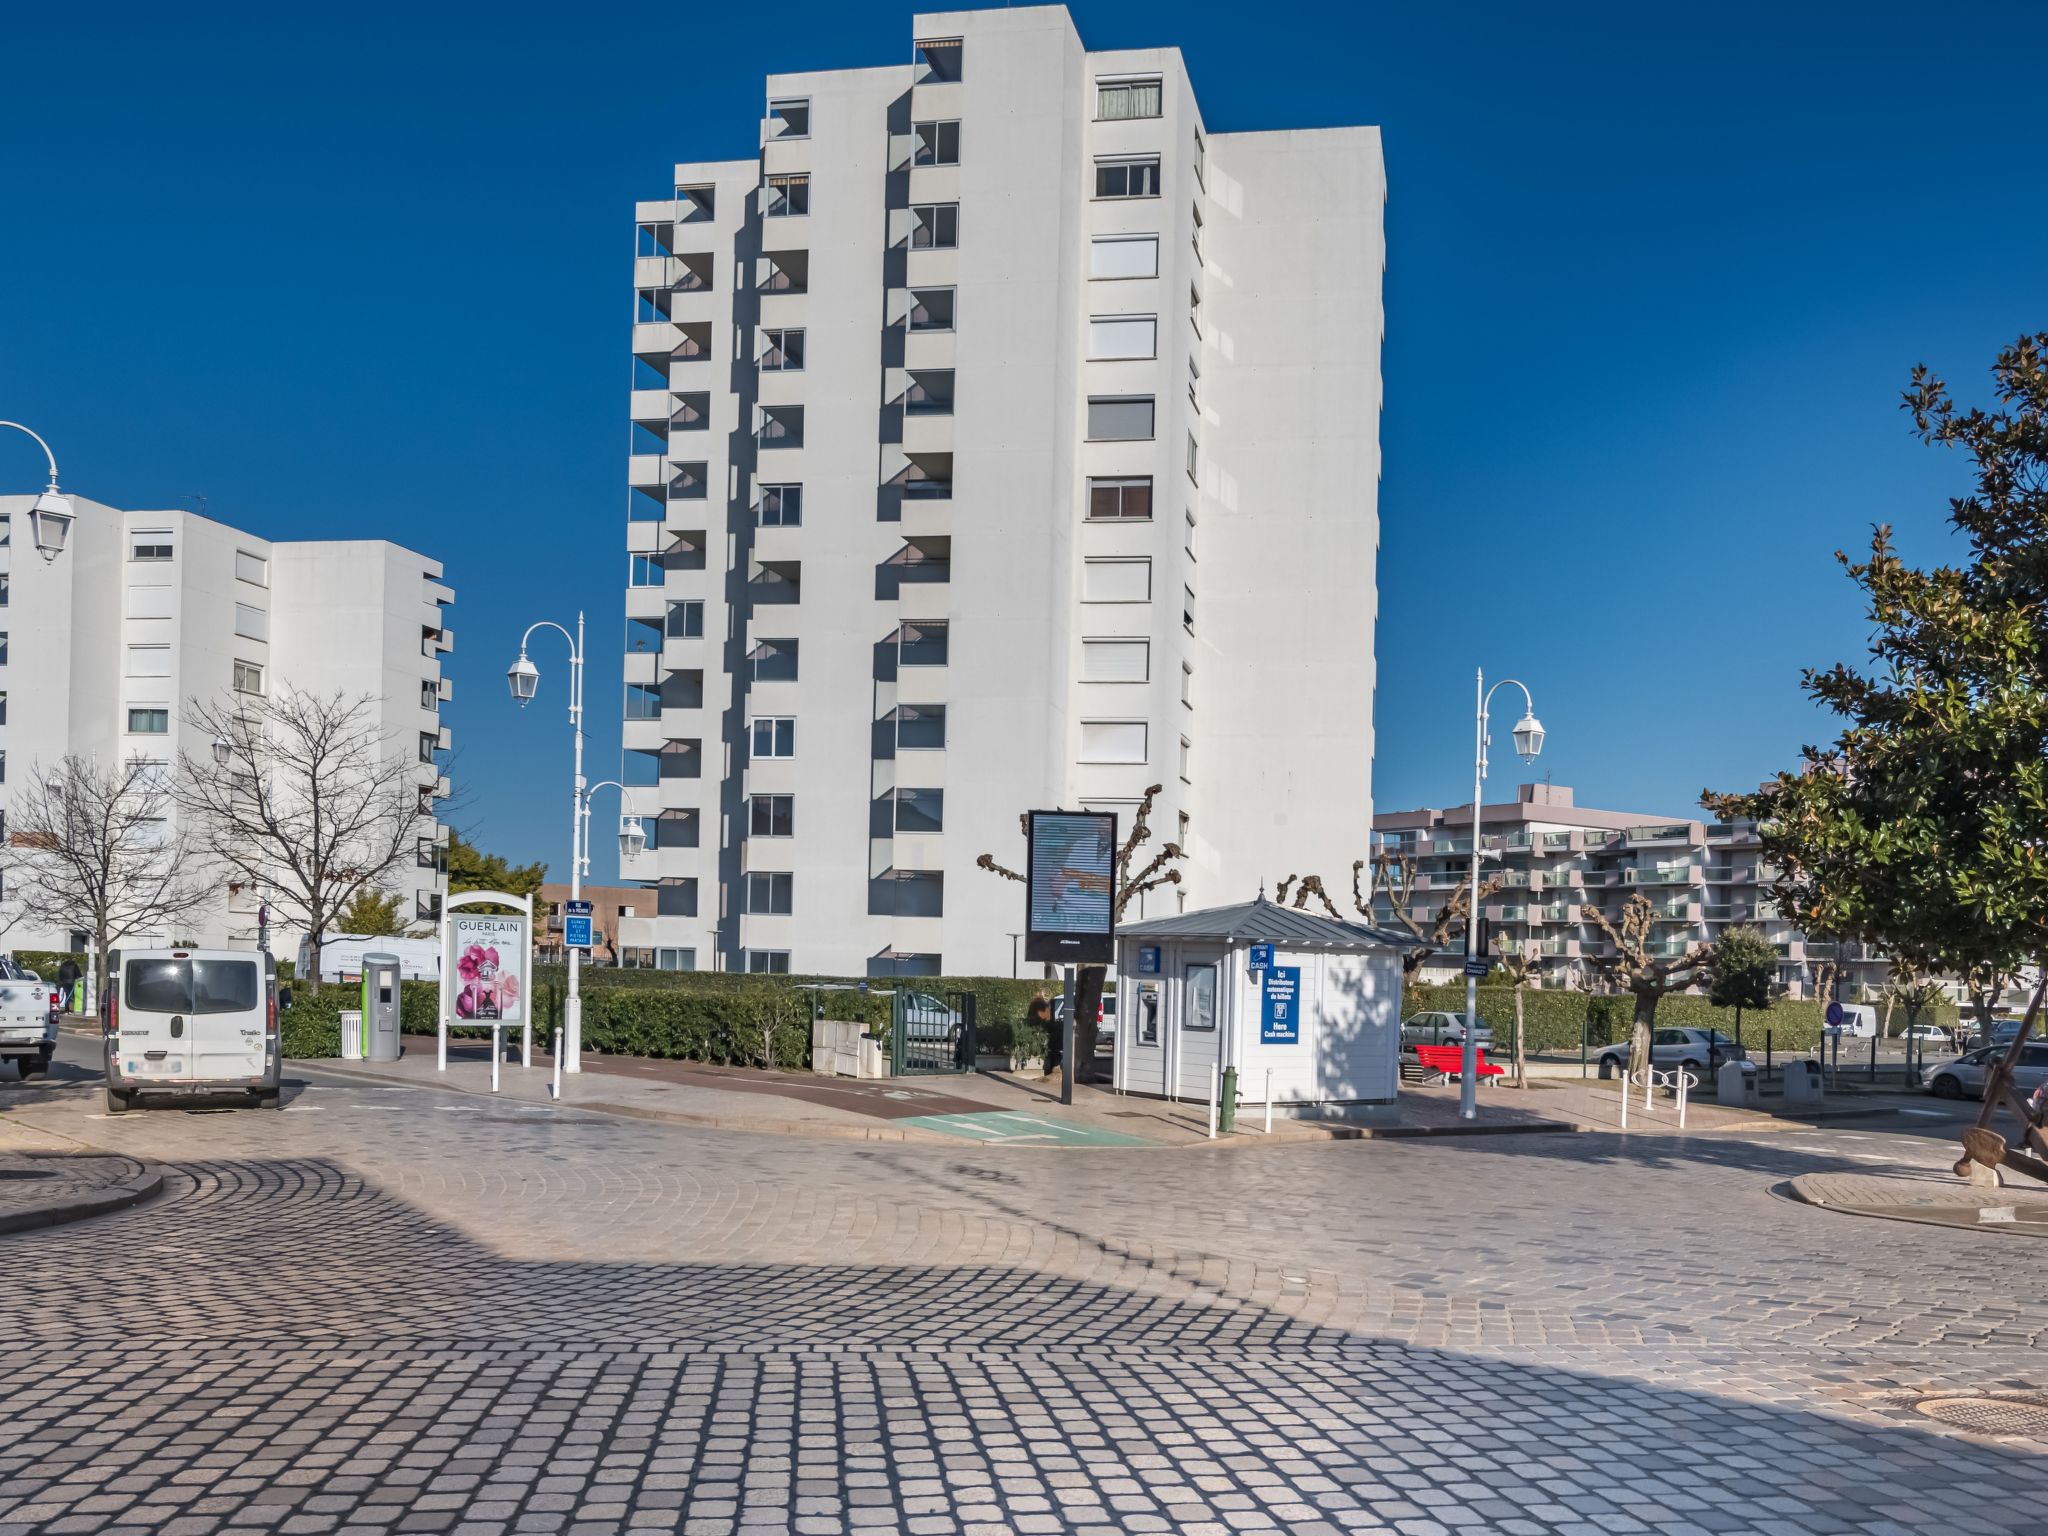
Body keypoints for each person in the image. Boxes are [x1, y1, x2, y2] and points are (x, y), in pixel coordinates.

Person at [1029, 994, 1059, 1082]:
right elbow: (1047, 1018)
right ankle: (1051, 1068)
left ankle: (1051, 1068)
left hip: (1040, 1030)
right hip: (1046, 1032)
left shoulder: (1035, 1006)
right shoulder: (1045, 1007)